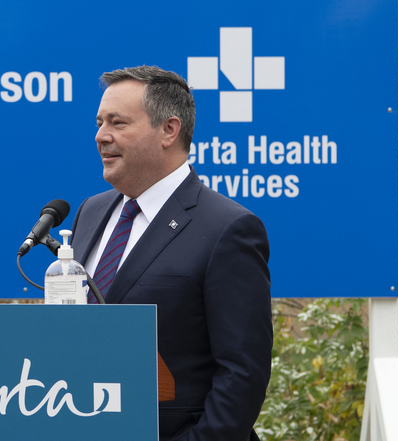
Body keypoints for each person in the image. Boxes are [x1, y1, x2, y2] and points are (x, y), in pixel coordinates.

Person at [69, 65, 273, 440]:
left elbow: (243, 374)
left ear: (169, 130)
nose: (101, 136)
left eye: (117, 123)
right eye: (99, 123)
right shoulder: (89, 212)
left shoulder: (228, 228)